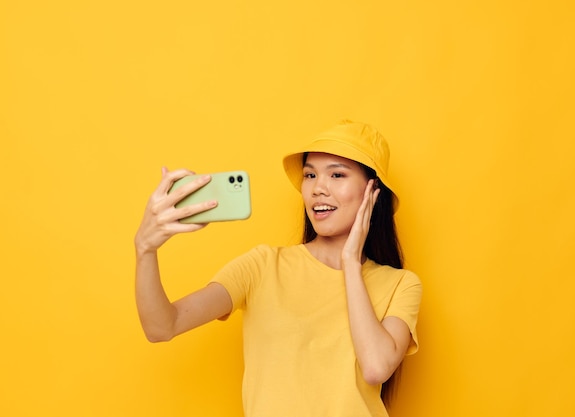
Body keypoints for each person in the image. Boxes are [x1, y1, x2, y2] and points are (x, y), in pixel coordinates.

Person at [134, 120, 422, 417]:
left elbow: (376, 367)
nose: (317, 188)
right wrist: (145, 249)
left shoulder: (401, 284)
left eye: (337, 174)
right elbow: (161, 327)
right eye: (310, 175)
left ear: (373, 192)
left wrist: (350, 262)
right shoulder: (262, 266)